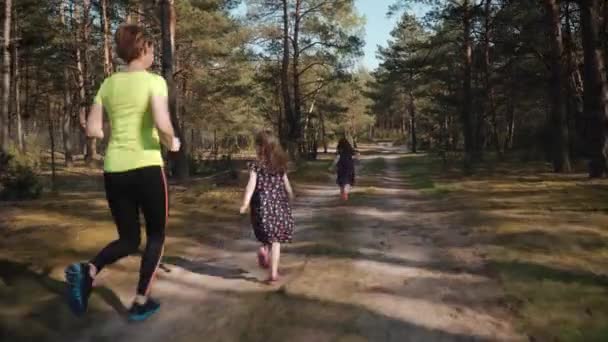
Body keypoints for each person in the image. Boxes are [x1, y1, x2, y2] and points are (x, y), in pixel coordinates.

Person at [65, 24, 181, 322]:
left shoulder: (108, 84)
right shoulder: (154, 82)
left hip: (114, 169)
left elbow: (93, 130)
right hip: (146, 167)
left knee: (129, 238)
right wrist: (174, 142)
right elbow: (161, 122)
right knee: (156, 235)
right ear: (142, 50)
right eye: (152, 48)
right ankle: (140, 301)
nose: (154, 53)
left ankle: (89, 270)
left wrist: (106, 128)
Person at [240, 131, 295, 283]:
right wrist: (291, 195)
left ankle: (264, 249)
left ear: (260, 147)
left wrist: (245, 203)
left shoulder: (256, 166)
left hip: (261, 207)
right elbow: (286, 183)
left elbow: (250, 186)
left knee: (266, 233)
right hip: (280, 206)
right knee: (276, 240)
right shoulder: (280, 165)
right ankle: (273, 274)